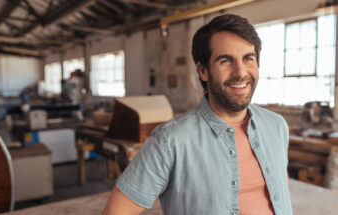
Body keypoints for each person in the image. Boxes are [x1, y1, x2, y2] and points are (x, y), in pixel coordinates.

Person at [102, 14, 293, 215]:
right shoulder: (170, 141)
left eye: (248, 58)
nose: (240, 72)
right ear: (202, 70)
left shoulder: (277, 126)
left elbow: (279, 192)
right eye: (226, 60)